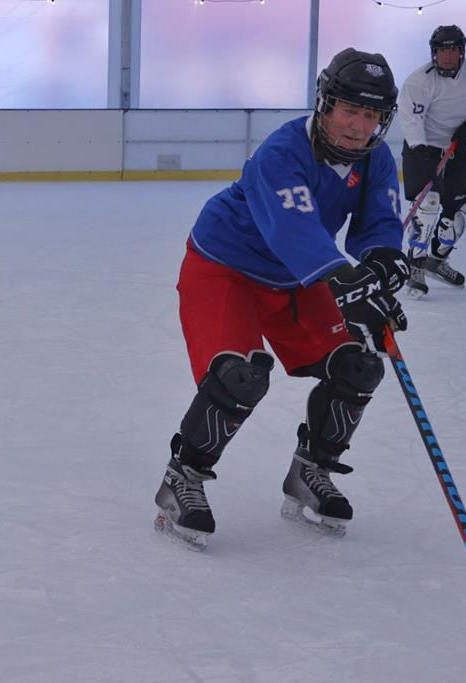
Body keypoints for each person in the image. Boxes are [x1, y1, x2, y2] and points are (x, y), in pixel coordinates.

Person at [153, 48, 410, 551]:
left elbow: (379, 222)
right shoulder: (282, 152)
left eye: (373, 115)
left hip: (297, 278)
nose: (360, 126)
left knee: (358, 365)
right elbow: (292, 231)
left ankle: (309, 471)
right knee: (239, 375)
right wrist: (348, 286)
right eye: (350, 110)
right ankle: (182, 478)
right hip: (224, 266)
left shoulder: (376, 158)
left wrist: (382, 265)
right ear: (325, 103)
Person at [398, 24, 466, 297]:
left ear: (461, 52)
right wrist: (422, 150)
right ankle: (415, 262)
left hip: (456, 148)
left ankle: (436, 258)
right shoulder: (419, 81)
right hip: (421, 148)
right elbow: (411, 120)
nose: (447, 55)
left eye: (453, 49)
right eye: (441, 50)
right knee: (428, 205)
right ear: (434, 53)